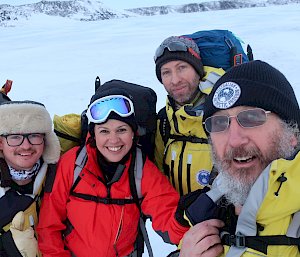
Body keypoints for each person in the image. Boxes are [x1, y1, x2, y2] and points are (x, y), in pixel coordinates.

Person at [37, 83, 190, 257]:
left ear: (133, 133)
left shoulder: (142, 170)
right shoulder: (72, 164)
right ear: (94, 134)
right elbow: (49, 226)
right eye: (104, 131)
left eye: (122, 130)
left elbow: (168, 218)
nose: (113, 139)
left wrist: (185, 218)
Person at [178, 60, 300, 257]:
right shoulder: (210, 208)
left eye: (251, 118)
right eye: (219, 123)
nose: (234, 140)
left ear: (292, 134)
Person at [154, 35, 225, 196]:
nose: (175, 80)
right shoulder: (164, 121)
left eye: (182, 68)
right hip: (176, 219)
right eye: (166, 72)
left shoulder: (225, 115)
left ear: (198, 70)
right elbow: (156, 181)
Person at [0, 100, 61, 257]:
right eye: (14, 137)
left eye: (34, 136)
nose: (26, 146)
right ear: (1, 143)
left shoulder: (60, 176)